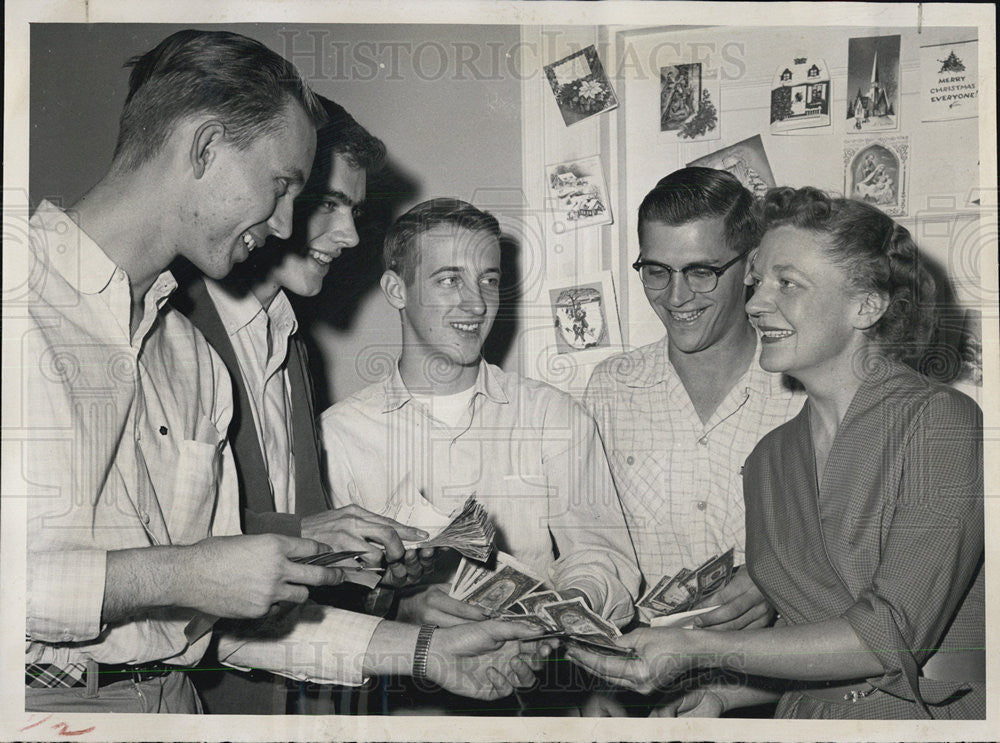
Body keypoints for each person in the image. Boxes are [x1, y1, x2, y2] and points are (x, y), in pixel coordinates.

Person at [19, 30, 545, 715]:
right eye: (282, 185)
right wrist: (188, 569)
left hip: (176, 704)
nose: (287, 222)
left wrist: (423, 651)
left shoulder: (191, 360)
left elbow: (223, 623)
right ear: (205, 147)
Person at [567, 187, 985, 720]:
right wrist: (721, 695)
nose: (758, 302)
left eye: (786, 283)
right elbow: (804, 646)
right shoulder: (771, 457)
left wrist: (699, 650)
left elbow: (890, 635)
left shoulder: (939, 421)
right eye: (759, 281)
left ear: (867, 305)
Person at [319, 198, 641, 712]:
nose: (475, 303)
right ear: (396, 290)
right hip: (405, 707)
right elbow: (331, 601)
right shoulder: (339, 435)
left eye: (488, 280)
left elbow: (604, 558)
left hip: (537, 698)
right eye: (449, 279)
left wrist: (561, 616)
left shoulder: (553, 416)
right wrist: (401, 610)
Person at [174, 97, 436, 713]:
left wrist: (377, 580)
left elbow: (302, 557)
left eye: (354, 212)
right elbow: (167, 550)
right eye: (328, 205)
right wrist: (310, 534)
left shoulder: (290, 340)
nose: (348, 237)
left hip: (299, 691)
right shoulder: (174, 327)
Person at [584, 168, 803, 630]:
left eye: (701, 272)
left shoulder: (803, 388)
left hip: (769, 681)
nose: (676, 296)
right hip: (638, 668)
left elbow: (848, 548)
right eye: (657, 271)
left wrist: (779, 581)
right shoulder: (610, 387)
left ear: (751, 267)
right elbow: (594, 551)